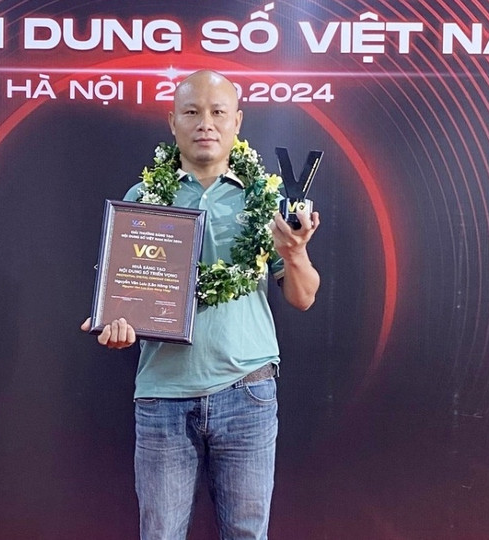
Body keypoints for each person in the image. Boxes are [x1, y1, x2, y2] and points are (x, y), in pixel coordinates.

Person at [81, 69, 320, 540]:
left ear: (237, 122)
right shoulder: (143, 198)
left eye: (217, 112)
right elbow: (126, 293)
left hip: (247, 391)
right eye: (191, 112)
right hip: (163, 395)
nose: (205, 123)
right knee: (160, 534)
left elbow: (304, 296)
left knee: (247, 535)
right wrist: (115, 324)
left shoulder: (267, 198)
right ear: (173, 122)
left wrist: (294, 253)